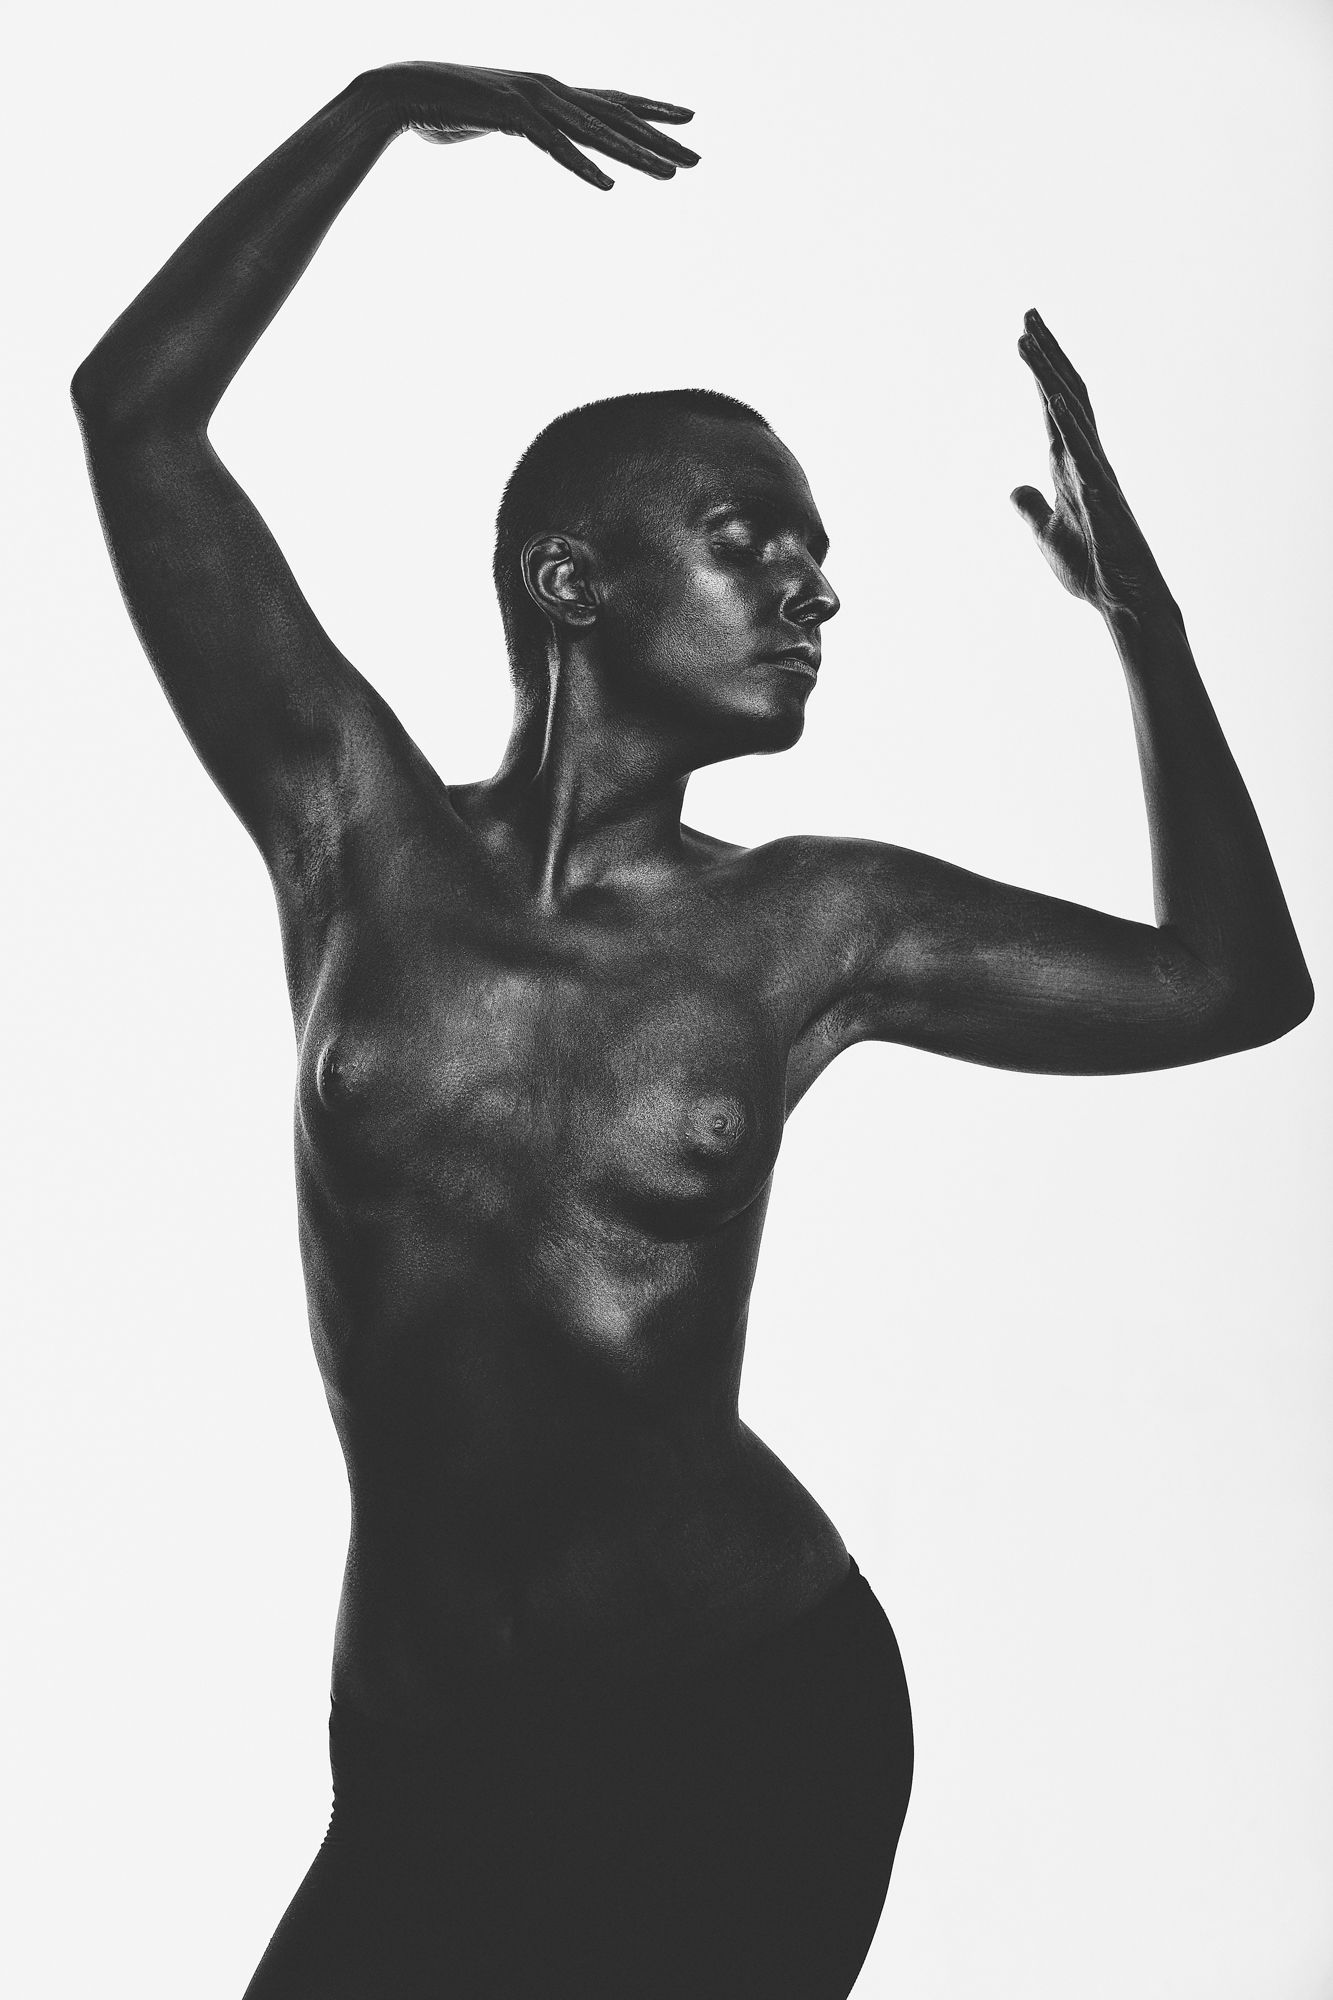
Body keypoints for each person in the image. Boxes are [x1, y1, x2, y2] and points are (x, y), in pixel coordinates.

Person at [71, 60, 1313, 2000]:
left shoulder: (814, 921)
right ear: (571, 578)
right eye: (754, 539)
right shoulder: (353, 827)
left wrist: (1137, 616)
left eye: (817, 559)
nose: (815, 589)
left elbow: (1231, 986)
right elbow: (134, 416)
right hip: (423, 1757)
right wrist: (382, 105)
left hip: (741, 1726)